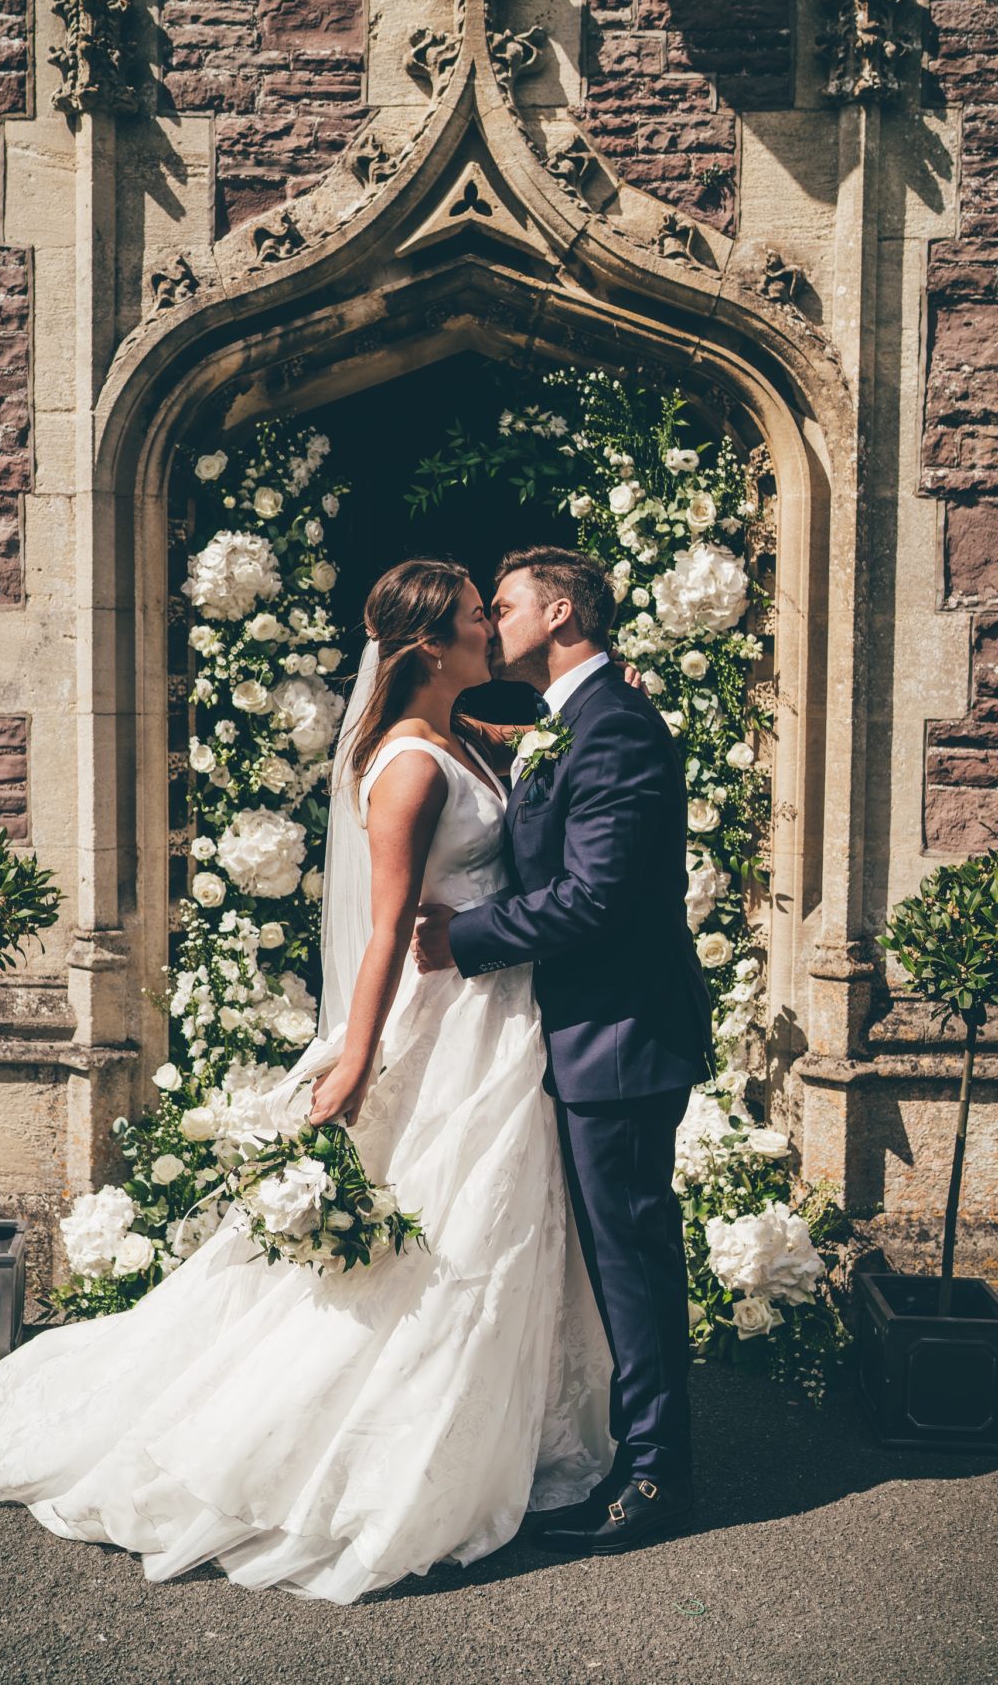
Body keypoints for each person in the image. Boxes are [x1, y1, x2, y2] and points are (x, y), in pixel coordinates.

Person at [0, 556, 620, 1605]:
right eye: (470, 622)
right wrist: (355, 1057)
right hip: (441, 1019)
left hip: (497, 1018)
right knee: (436, 1238)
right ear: (426, 650)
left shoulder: (461, 740)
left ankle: (494, 1426)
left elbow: (522, 787)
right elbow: (382, 933)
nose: (488, 636)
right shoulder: (408, 767)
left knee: (490, 1228)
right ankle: (364, 1444)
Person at [412, 546, 715, 1555]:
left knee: (632, 1260)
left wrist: (466, 942)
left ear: (561, 615)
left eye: (504, 607)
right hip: (590, 1036)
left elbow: (598, 895)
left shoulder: (615, 728)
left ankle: (658, 1477)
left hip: (622, 1039)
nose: (491, 624)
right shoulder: (578, 719)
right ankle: (633, 1454)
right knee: (617, 1257)